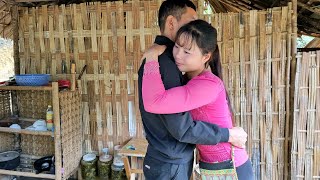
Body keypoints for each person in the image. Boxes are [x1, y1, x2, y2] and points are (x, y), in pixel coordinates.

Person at [138, 0, 248, 179]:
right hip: (173, 163)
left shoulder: (203, 81)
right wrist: (228, 134)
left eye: (187, 51)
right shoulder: (165, 63)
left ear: (206, 56)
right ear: (172, 23)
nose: (179, 54)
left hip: (226, 164)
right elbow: (181, 128)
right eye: (191, 21)